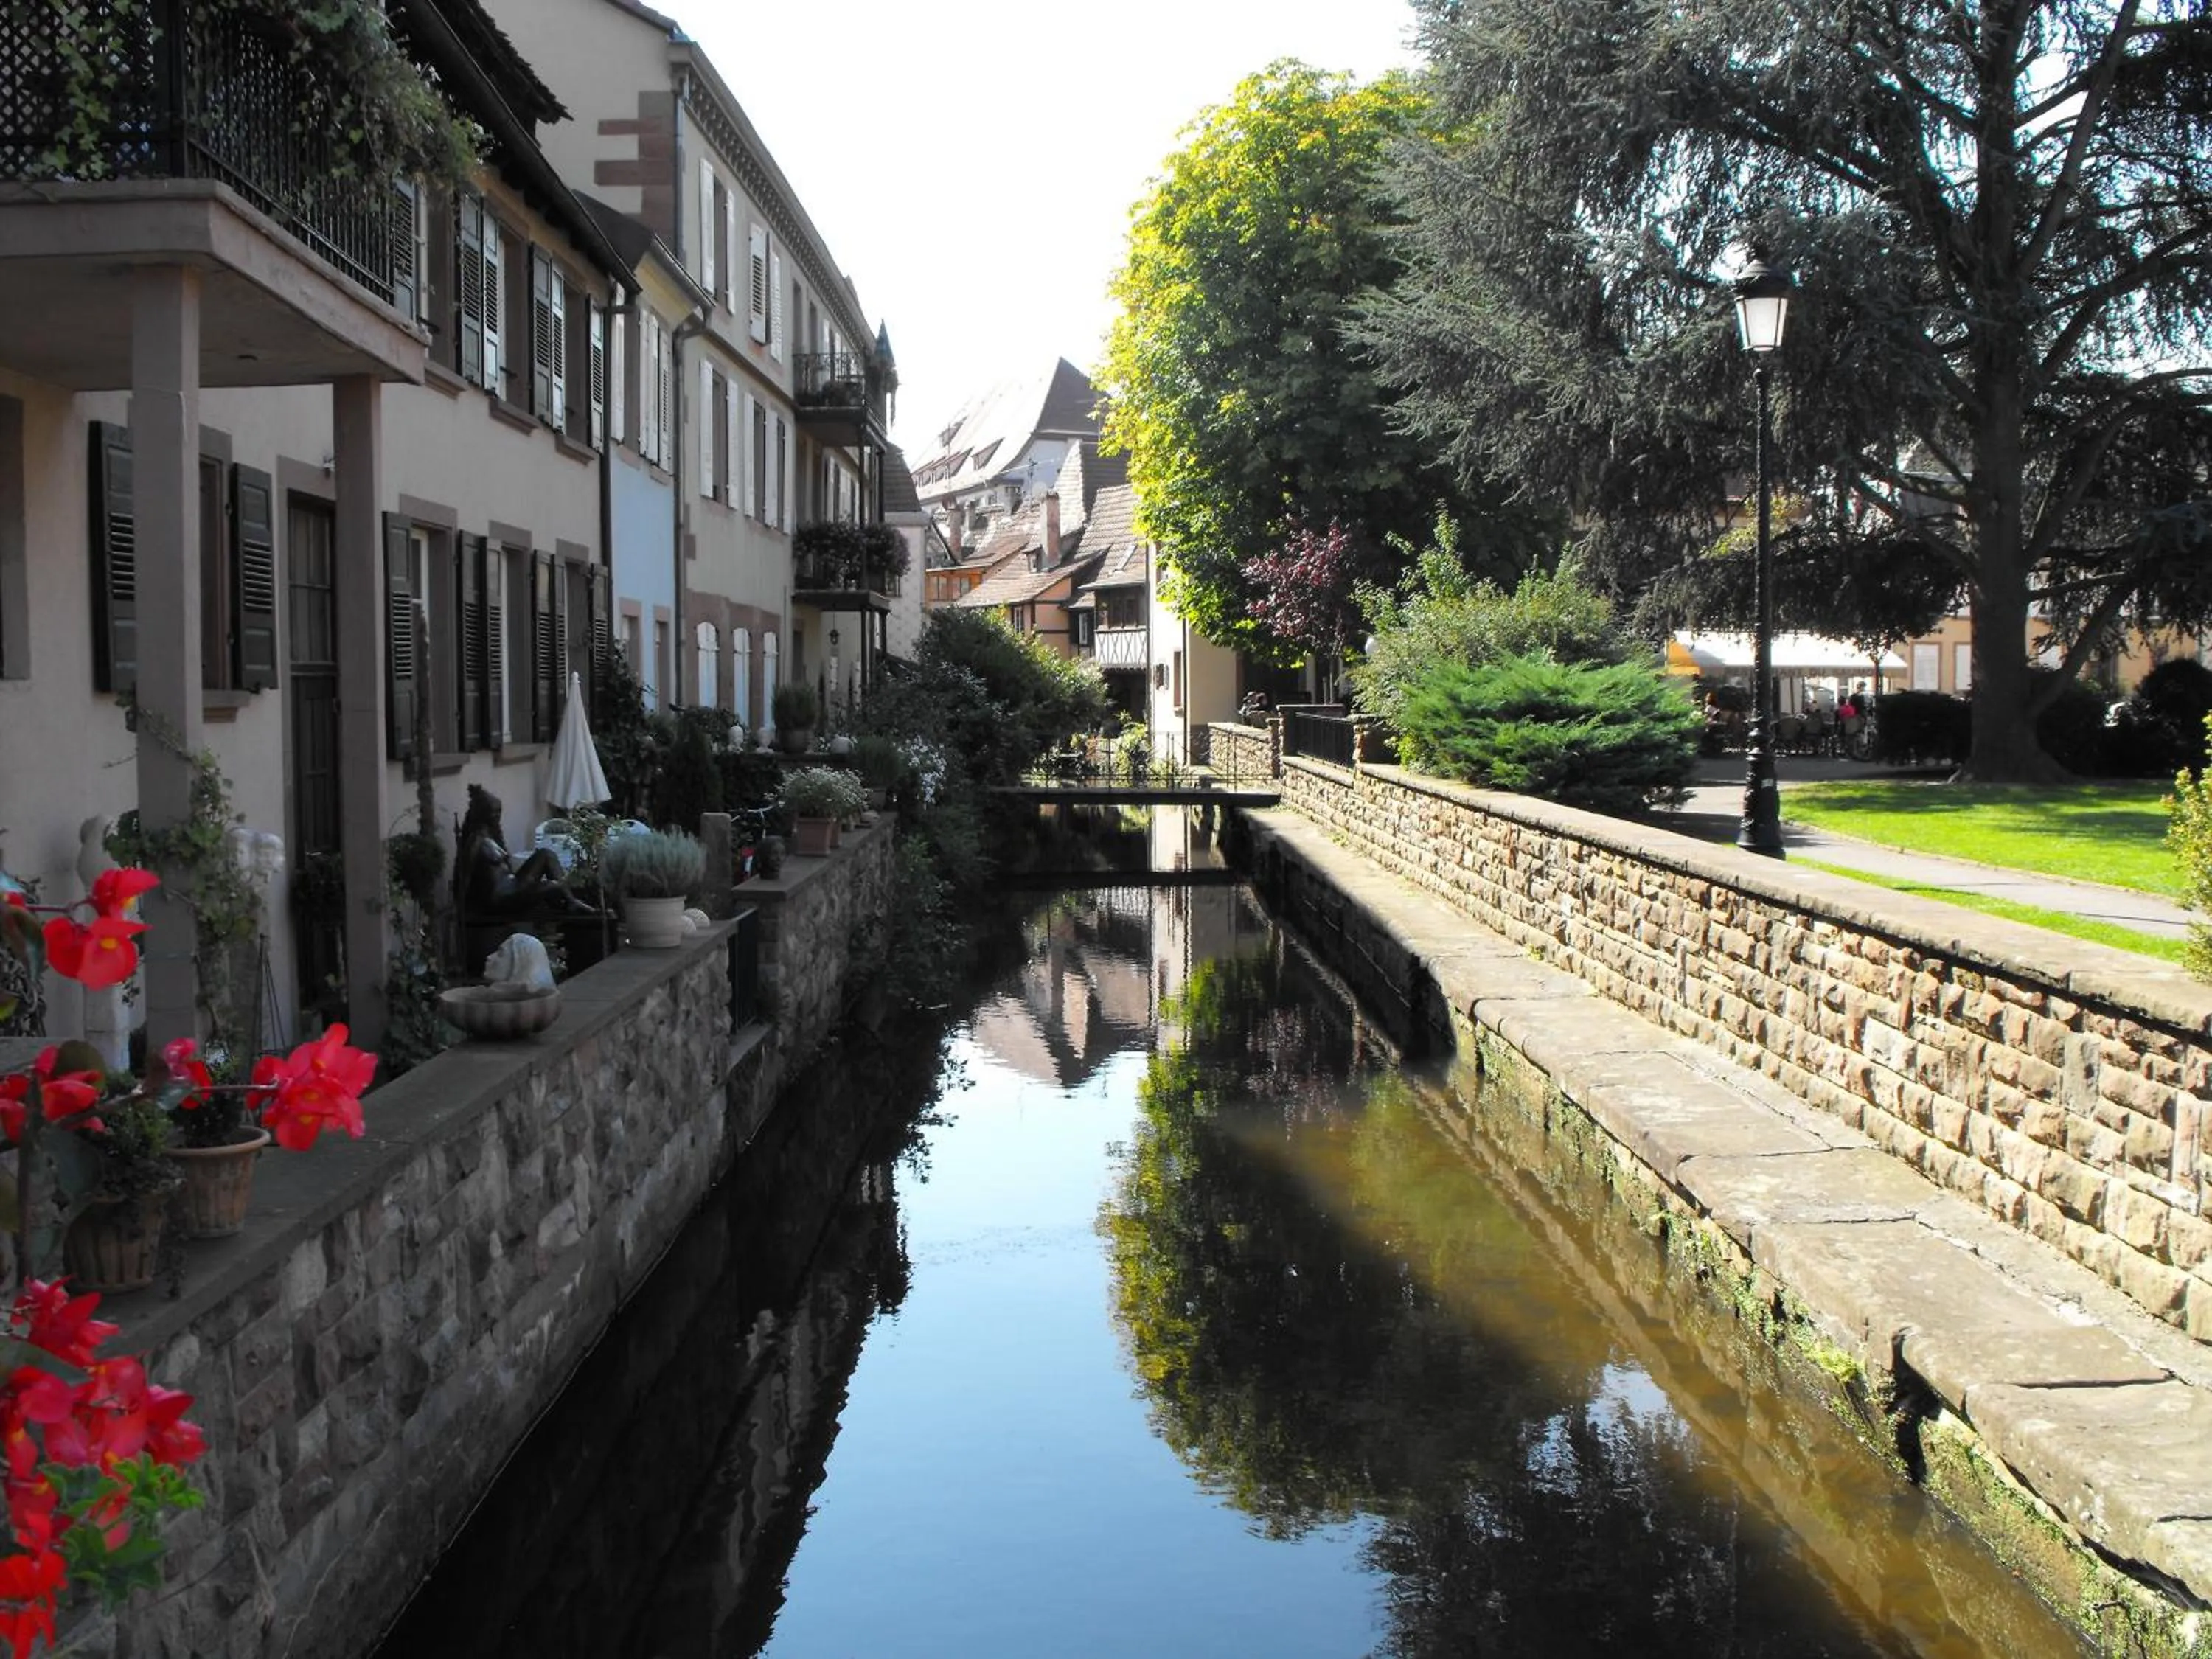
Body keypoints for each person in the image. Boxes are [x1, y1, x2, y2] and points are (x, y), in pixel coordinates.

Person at [458, 785, 590, 917]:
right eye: (493, 812)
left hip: (513, 884)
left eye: (499, 811)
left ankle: (570, 902)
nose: (497, 816)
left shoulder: (493, 835)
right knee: (552, 886)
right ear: (483, 813)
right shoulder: (476, 841)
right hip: (501, 899)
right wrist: (461, 907)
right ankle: (569, 905)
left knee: (546, 854)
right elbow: (465, 873)